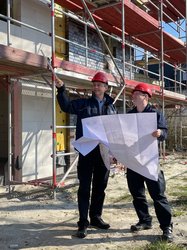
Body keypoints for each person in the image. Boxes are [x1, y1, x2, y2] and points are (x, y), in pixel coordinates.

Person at [56, 71, 117, 238]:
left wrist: (115, 152)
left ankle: (96, 217)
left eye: (99, 85)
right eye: (94, 84)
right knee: (84, 188)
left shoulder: (111, 107)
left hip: (103, 153)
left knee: (100, 187)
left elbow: (114, 131)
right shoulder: (83, 104)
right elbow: (66, 106)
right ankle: (83, 222)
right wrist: (61, 90)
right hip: (87, 152)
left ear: (105, 87)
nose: (96, 87)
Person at [126, 83, 173, 242]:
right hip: (133, 161)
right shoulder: (130, 115)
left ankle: (167, 227)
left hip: (150, 161)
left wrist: (160, 132)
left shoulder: (155, 114)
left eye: (136, 94)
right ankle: (145, 220)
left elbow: (165, 133)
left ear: (145, 96)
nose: (133, 96)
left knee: (158, 195)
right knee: (137, 194)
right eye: (133, 94)